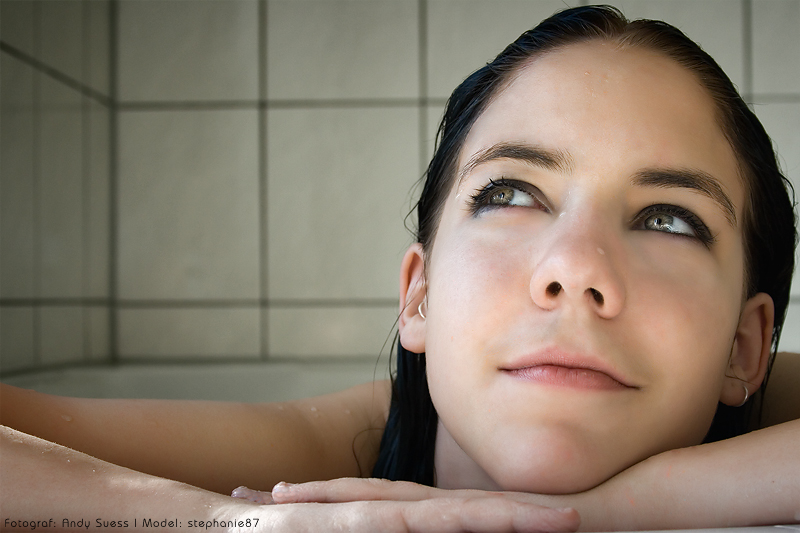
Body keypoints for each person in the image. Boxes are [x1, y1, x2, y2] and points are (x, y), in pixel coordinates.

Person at [2, 5, 799, 532]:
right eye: (513, 192)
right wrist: (228, 521)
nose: (574, 270)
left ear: (744, 345)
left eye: (668, 218)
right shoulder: (340, 444)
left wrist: (620, 509)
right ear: (417, 293)